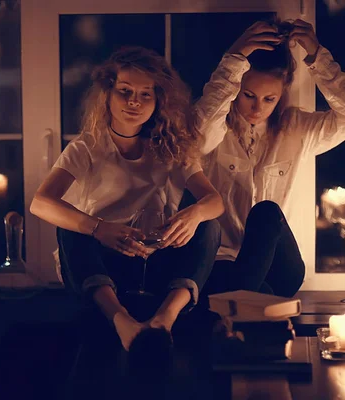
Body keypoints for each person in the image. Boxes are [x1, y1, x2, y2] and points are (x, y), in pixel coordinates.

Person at [30, 47, 224, 351]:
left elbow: (215, 201)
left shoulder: (171, 146)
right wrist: (99, 228)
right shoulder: (87, 147)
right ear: (108, 94)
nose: (134, 101)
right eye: (125, 91)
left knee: (210, 226)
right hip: (102, 271)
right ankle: (121, 321)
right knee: (70, 224)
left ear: (159, 100)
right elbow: (40, 202)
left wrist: (196, 213)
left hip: (158, 265)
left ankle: (165, 319)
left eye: (146, 94)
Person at [194, 19, 345, 297]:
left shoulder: (295, 128)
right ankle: (250, 302)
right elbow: (196, 136)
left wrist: (316, 56)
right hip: (224, 262)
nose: (256, 107)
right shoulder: (215, 128)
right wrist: (234, 59)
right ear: (236, 88)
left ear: (282, 93)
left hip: (279, 267)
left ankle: (240, 306)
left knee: (266, 211)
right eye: (248, 95)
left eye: (268, 99)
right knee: (253, 289)